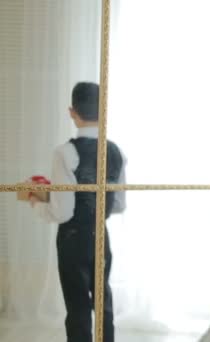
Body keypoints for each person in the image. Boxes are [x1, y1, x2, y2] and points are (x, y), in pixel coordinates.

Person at [29, 82, 126, 342]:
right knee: (103, 301)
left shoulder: (64, 152)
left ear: (72, 112)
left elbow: (62, 212)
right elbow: (118, 205)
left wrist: (36, 200)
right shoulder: (116, 152)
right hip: (101, 236)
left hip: (73, 239)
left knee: (78, 307)